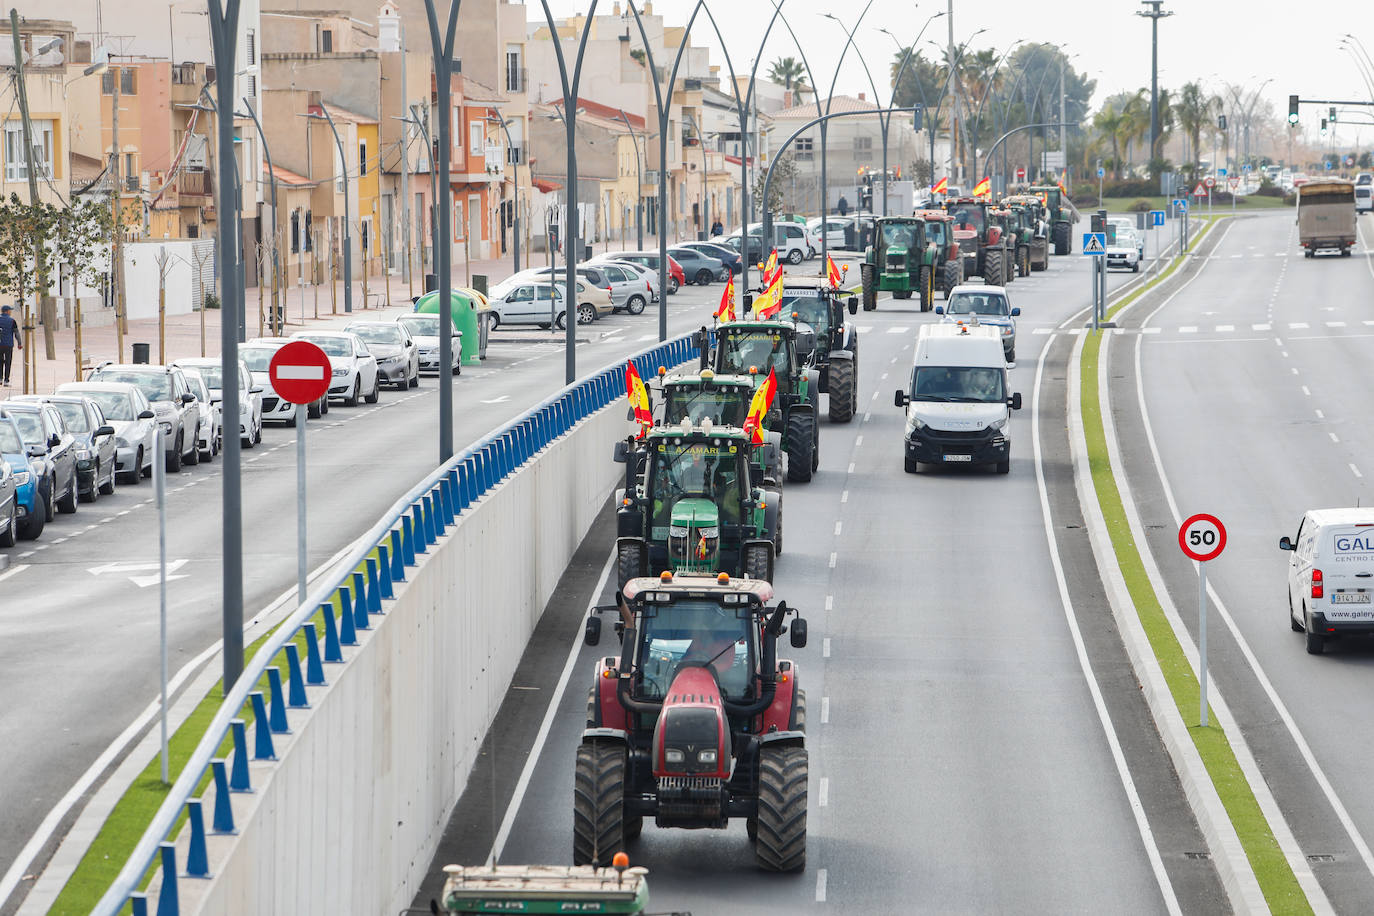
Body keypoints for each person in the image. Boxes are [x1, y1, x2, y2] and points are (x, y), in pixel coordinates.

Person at [0, 304, 19, 387]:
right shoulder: (12, 321)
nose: (10, 312)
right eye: (10, 310)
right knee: (8, 362)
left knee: (0, 362)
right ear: (7, 311)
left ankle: (0, 378)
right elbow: (16, 333)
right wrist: (20, 343)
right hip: (8, 345)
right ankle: (6, 380)